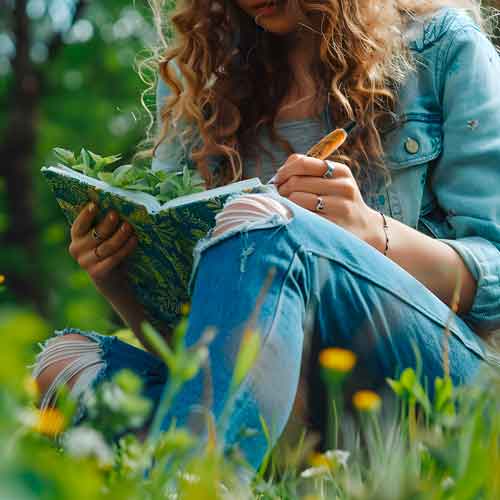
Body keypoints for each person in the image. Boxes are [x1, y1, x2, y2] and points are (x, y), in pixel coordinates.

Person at [33, 0, 500, 471]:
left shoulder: (442, 47)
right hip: (268, 408)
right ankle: (239, 466)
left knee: (261, 224)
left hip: (422, 389)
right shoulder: (202, 80)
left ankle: (190, 480)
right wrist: (122, 281)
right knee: (65, 364)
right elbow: (201, 354)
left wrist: (369, 230)